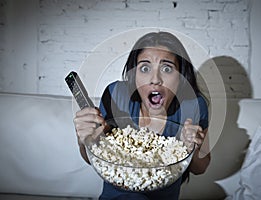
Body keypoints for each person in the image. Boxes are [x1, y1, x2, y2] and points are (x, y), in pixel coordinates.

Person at [73, 31, 210, 200]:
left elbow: (200, 168)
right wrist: (85, 141)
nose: (155, 79)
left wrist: (192, 148)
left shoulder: (193, 106)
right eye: (145, 68)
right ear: (134, 74)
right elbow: (92, 158)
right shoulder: (116, 95)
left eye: (167, 68)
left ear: (181, 77)